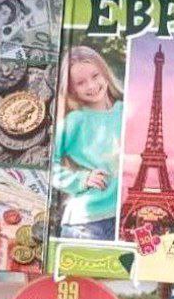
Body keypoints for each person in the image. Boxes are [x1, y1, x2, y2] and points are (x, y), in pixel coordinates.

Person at [52, 45, 124, 241]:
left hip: (123, 217)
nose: (91, 86)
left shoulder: (125, 110)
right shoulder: (76, 120)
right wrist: (81, 180)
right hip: (87, 224)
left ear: (105, 74)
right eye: (81, 83)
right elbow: (47, 162)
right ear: (72, 90)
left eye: (95, 76)